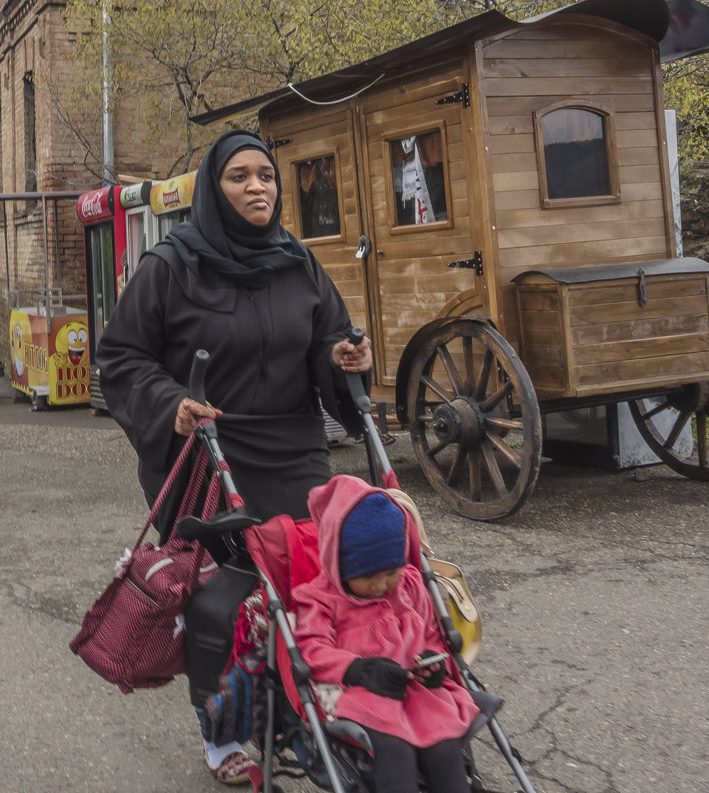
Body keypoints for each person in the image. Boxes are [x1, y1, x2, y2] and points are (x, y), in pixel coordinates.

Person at [95, 129, 372, 785]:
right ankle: (222, 731)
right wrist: (171, 405)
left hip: (294, 451)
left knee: (305, 589)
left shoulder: (298, 262)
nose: (257, 187)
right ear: (214, 191)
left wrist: (345, 359)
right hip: (207, 451)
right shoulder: (172, 265)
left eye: (266, 176)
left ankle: (297, 710)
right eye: (239, 177)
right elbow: (122, 356)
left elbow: (328, 341)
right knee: (222, 599)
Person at [292, 475, 479, 793]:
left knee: (446, 745)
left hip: (418, 690)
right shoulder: (320, 598)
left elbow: (432, 633)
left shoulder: (408, 585)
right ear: (339, 566)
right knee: (395, 752)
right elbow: (311, 648)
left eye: (390, 573)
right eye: (367, 578)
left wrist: (435, 665)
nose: (381, 586)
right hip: (361, 692)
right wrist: (357, 669)